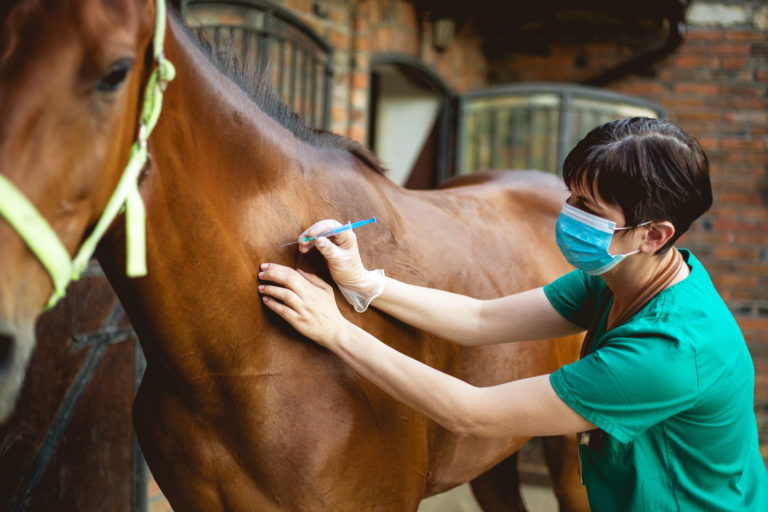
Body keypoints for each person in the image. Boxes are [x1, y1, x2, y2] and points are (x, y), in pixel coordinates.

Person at [257, 117, 768, 511]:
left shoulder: (668, 352)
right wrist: (364, 282)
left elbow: (470, 412)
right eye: (571, 195)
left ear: (654, 235)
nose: (569, 213)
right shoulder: (623, 279)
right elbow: (480, 320)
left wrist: (336, 331)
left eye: (589, 208)